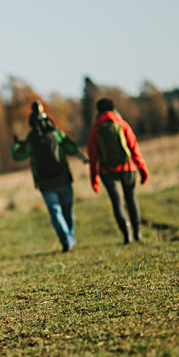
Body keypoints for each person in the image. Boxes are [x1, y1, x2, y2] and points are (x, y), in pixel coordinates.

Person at [11, 102, 84, 251]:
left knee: (55, 212)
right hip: (63, 179)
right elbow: (72, 148)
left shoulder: (32, 138)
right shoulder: (57, 134)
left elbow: (18, 155)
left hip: (45, 183)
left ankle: (66, 241)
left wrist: (16, 145)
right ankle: (70, 237)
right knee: (67, 211)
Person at [85, 98, 149, 244]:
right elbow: (134, 149)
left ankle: (126, 233)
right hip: (127, 168)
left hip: (108, 173)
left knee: (117, 202)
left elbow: (93, 158)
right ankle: (137, 231)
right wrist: (143, 170)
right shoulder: (122, 124)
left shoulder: (95, 130)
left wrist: (94, 180)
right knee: (131, 199)